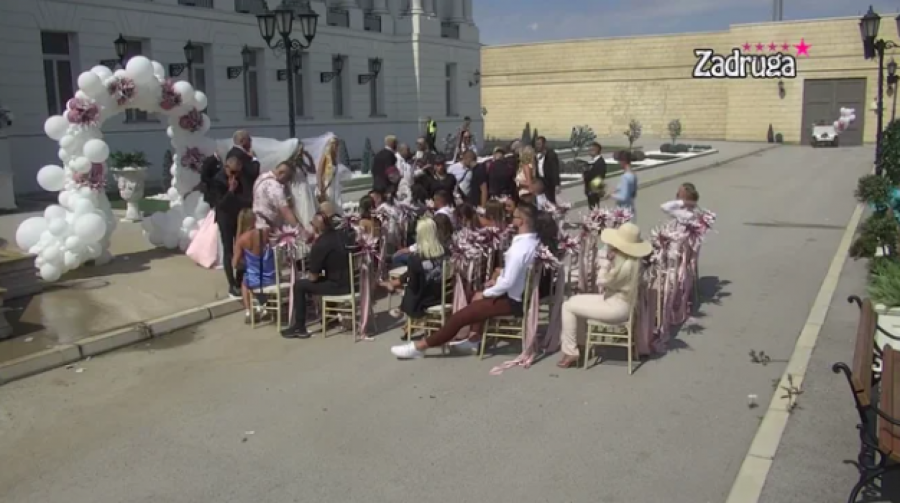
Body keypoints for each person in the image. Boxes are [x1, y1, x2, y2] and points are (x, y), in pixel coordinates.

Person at [390, 203, 552, 359]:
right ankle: (474, 338)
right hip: (517, 295)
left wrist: (486, 293)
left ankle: (420, 347)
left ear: (521, 221)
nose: (511, 219)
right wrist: (497, 280)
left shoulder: (519, 248)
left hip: (511, 300)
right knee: (474, 300)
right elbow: (517, 274)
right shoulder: (533, 242)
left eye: (514, 217)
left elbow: (508, 282)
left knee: (459, 317)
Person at [555, 222, 650, 368]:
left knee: (568, 306)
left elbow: (601, 281)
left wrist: (605, 264)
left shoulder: (626, 267)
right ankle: (579, 344)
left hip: (616, 309)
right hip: (614, 301)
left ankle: (570, 351)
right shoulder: (632, 262)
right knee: (574, 300)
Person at [281, 212, 351, 339]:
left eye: (312, 225)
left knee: (299, 286)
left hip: (338, 286)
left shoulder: (321, 243)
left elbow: (313, 277)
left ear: (317, 228)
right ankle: (330, 317)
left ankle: (299, 327)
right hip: (351, 282)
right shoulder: (341, 235)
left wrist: (307, 275)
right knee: (327, 278)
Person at [212, 156, 254, 297]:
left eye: (238, 172)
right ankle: (232, 284)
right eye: (233, 172)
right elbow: (221, 204)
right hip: (225, 218)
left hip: (238, 216)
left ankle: (240, 279)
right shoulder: (218, 180)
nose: (235, 175)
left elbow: (245, 197)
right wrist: (230, 190)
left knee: (242, 247)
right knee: (228, 250)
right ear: (226, 167)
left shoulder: (240, 178)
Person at [232, 209, 276, 324]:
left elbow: (235, 264)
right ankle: (264, 307)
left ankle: (249, 311)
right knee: (256, 278)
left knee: (245, 282)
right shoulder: (264, 233)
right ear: (254, 220)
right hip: (270, 276)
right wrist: (265, 218)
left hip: (255, 279)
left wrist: (248, 262)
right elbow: (274, 228)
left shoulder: (241, 240)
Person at [253, 162, 301, 231]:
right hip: (268, 228)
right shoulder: (275, 187)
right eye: (288, 177)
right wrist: (299, 228)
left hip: (257, 223)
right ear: (281, 173)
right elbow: (285, 211)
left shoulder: (261, 178)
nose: (287, 181)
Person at [316, 136, 345, 207]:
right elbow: (319, 172)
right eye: (335, 145)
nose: (337, 147)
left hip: (334, 184)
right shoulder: (325, 155)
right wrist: (320, 187)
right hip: (327, 184)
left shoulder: (335, 157)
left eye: (337, 145)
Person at [612, 150, 638, 220]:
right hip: (631, 209)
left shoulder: (625, 177)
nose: (618, 163)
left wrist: (611, 195)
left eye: (619, 161)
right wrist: (617, 189)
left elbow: (623, 197)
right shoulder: (633, 174)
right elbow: (633, 194)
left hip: (623, 212)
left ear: (623, 161)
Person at [535, 136, 561, 203]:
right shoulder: (536, 155)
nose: (537, 146)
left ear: (544, 144)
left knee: (550, 201)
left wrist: (557, 184)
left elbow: (555, 170)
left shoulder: (551, 155)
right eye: (536, 144)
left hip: (549, 182)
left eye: (539, 144)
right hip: (540, 182)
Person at [583, 142, 607, 210]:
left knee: (594, 209)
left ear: (596, 150)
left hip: (594, 190)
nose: (589, 151)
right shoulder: (593, 161)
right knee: (593, 208)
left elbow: (600, 177)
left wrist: (593, 190)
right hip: (590, 190)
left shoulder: (600, 162)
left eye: (590, 149)